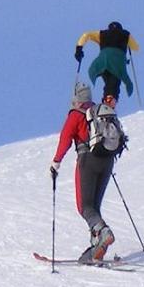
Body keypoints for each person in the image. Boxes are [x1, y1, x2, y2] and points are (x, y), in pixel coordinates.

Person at [51, 79, 118, 263]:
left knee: (84, 207)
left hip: (87, 160)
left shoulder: (76, 114)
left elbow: (65, 139)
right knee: (94, 207)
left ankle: (104, 233)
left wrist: (56, 163)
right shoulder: (98, 112)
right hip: (107, 160)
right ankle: (98, 247)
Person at [75, 22, 139, 105]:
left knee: (108, 79)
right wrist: (128, 44)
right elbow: (136, 48)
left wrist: (78, 49)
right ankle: (110, 99)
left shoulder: (102, 34)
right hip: (117, 62)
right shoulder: (126, 34)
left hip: (102, 61)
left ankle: (106, 98)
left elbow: (86, 35)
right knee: (114, 81)